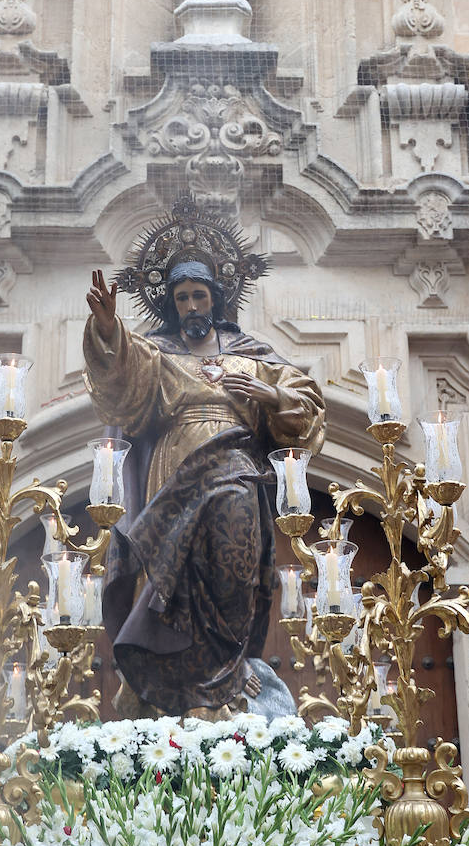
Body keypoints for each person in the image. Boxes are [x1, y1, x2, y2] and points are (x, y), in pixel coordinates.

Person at [83, 217, 325, 716]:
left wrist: (271, 393)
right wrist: (109, 328)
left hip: (238, 466)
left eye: (199, 295)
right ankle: (186, 681)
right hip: (174, 475)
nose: (192, 306)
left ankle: (228, 667)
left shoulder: (251, 355)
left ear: (217, 296)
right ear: (171, 305)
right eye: (182, 298)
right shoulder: (158, 354)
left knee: (232, 563)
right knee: (176, 579)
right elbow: (121, 379)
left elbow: (307, 406)